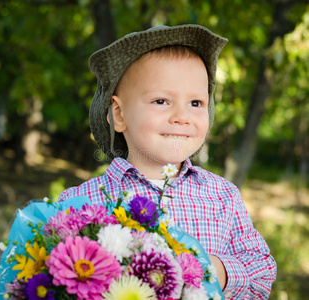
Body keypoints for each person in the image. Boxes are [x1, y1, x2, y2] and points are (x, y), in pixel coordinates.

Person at [58, 24, 277, 299]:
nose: (181, 116)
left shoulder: (222, 196)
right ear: (119, 115)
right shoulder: (81, 204)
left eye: (196, 103)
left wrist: (215, 270)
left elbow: (262, 272)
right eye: (161, 101)